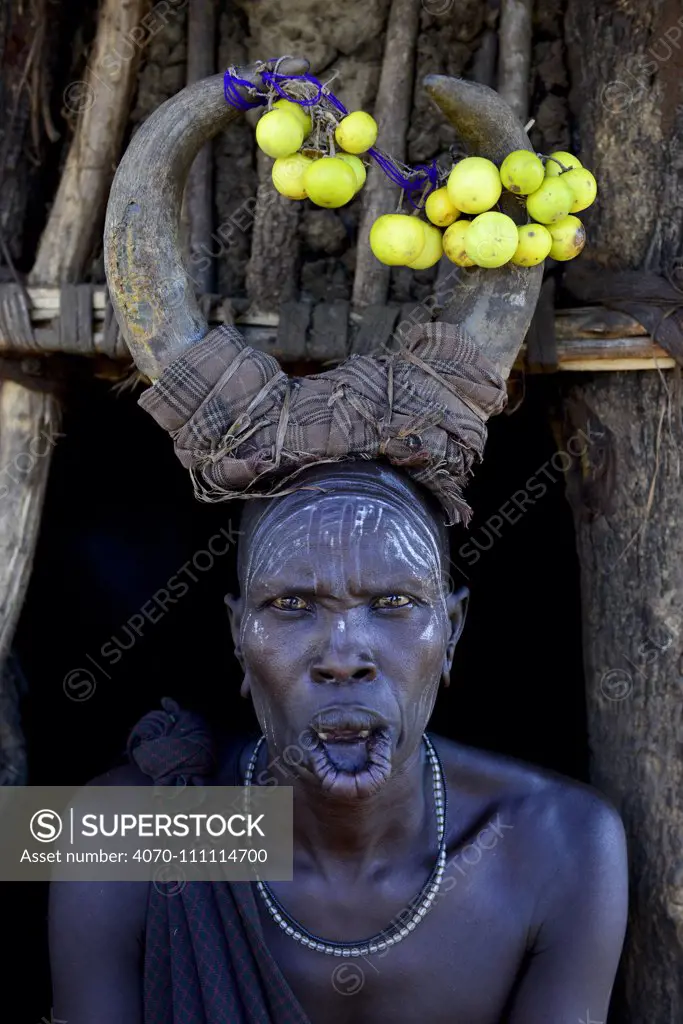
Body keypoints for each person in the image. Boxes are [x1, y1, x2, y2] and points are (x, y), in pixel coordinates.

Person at [49, 59, 628, 1023]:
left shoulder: (561, 842)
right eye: (292, 606)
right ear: (237, 638)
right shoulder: (125, 834)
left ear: (453, 631)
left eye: (394, 605)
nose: (344, 654)